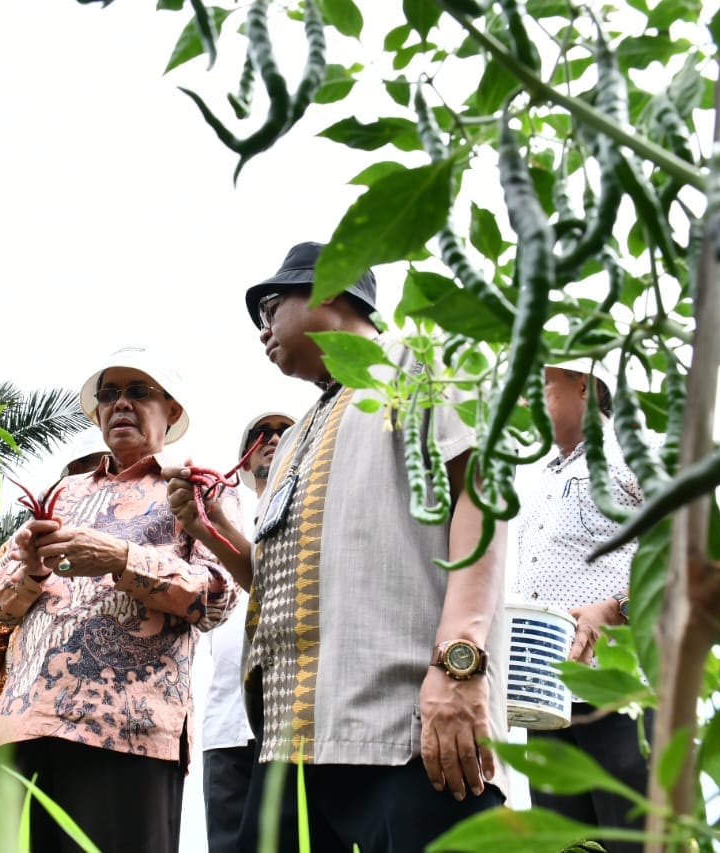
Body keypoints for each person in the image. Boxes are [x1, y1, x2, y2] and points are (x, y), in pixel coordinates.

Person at [169, 242, 509, 853]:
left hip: (411, 732)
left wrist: (460, 666)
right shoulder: (296, 436)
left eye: (270, 307)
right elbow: (275, 584)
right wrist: (208, 527)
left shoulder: (422, 361)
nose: (262, 329)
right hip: (291, 747)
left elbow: (481, 500)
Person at [0, 344, 240, 853]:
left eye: (139, 391)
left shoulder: (197, 488)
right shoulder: (60, 493)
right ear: (96, 412)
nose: (121, 403)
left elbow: (218, 599)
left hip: (126, 731)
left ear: (173, 410)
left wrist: (121, 559)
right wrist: (28, 574)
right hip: (20, 726)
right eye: (109, 394)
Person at [513, 358, 651, 853]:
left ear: (585, 386)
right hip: (548, 702)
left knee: (635, 840)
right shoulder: (543, 482)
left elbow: (687, 549)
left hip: (619, 693)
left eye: (540, 384)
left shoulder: (636, 454)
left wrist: (614, 609)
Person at [182, 411, 295, 853]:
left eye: (285, 433)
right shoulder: (215, 531)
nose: (272, 439)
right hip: (227, 726)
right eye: (260, 435)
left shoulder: (316, 522)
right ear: (243, 462)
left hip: (291, 721)